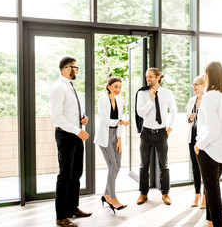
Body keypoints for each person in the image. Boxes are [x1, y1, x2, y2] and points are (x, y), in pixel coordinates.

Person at [50, 56, 92, 227]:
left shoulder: (70, 86)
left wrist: (82, 119)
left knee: (76, 174)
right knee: (65, 175)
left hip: (75, 134)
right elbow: (57, 118)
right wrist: (78, 131)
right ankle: (61, 217)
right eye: (75, 67)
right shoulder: (59, 87)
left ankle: (72, 208)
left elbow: (68, 112)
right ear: (67, 68)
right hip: (66, 136)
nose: (77, 70)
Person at [194, 61, 222, 227]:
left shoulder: (209, 96)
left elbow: (213, 129)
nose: (203, 76)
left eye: (205, 72)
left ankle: (215, 224)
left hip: (209, 151)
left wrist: (199, 145)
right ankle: (210, 222)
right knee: (212, 188)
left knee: (212, 192)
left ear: (211, 75)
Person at [136, 67, 177, 205]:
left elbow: (174, 110)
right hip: (146, 133)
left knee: (164, 165)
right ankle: (143, 193)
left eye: (150, 77)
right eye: (147, 77)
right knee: (143, 165)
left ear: (158, 77)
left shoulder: (167, 93)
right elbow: (140, 113)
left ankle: (165, 193)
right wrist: (151, 100)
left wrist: (170, 127)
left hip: (161, 133)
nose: (148, 79)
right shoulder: (142, 94)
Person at [94, 77, 130, 213]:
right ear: (109, 86)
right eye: (116, 87)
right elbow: (104, 120)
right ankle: (113, 198)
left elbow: (119, 121)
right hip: (105, 136)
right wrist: (120, 121)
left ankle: (105, 194)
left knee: (118, 166)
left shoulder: (120, 101)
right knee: (112, 166)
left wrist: (119, 139)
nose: (118, 90)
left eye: (120, 87)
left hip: (116, 135)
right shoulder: (102, 100)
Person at [186, 76, 206, 208]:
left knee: (204, 167)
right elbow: (187, 120)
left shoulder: (208, 100)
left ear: (203, 85)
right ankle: (197, 194)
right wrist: (190, 118)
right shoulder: (191, 100)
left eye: (197, 84)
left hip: (204, 137)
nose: (194, 87)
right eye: (193, 84)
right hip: (192, 136)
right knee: (195, 166)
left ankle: (205, 196)